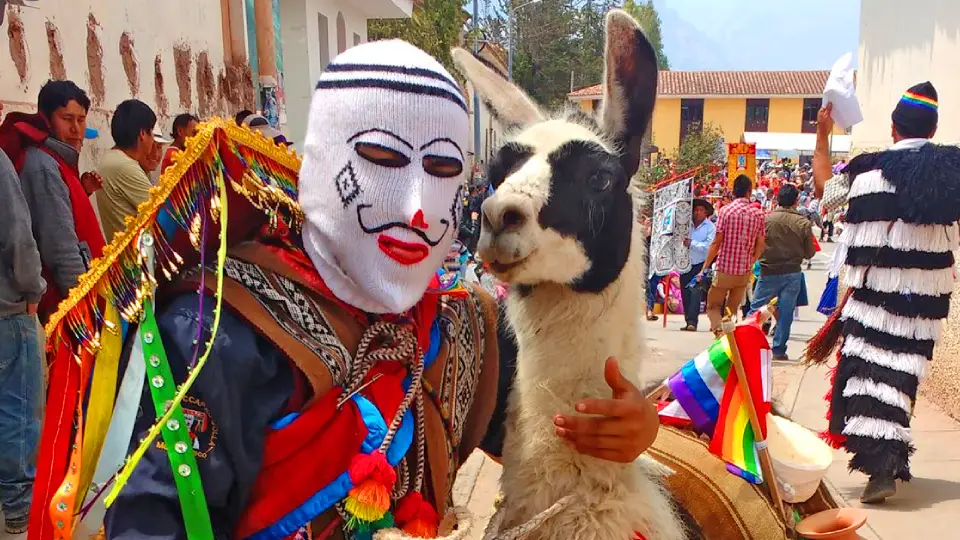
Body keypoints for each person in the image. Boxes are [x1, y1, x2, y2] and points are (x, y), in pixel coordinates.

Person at [28, 41, 657, 539]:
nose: (416, 209)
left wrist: (631, 430)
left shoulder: (459, 328)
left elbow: (541, 433)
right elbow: (153, 522)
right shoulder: (218, 328)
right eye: (384, 160)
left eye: (441, 172)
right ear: (326, 160)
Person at [809, 82, 960, 504]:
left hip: (874, 304)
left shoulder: (865, 171)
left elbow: (823, 192)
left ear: (894, 128)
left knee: (869, 379)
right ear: (933, 129)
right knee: (900, 380)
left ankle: (882, 466)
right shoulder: (952, 172)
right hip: (926, 309)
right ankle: (891, 457)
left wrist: (822, 135)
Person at [5, 80, 105, 323]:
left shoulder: (58, 161)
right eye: (66, 118)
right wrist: (86, 310)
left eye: (81, 120)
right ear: (47, 121)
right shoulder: (43, 165)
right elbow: (60, 249)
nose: (76, 129)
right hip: (71, 305)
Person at [0, 148, 45, 536]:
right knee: (18, 410)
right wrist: (33, 288)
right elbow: (17, 233)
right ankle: (19, 511)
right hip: (7, 310)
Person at [746, 184, 815, 361]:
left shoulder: (765, 220)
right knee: (785, 313)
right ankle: (778, 350)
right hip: (792, 273)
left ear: (777, 199)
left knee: (756, 310)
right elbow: (810, 253)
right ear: (796, 201)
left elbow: (755, 244)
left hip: (768, 270)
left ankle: (746, 344)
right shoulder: (803, 223)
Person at [698, 174, 765, 336]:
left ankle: (719, 333)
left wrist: (705, 267)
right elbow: (761, 244)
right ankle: (728, 339)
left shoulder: (725, 211)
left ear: (734, 191)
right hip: (743, 271)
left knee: (713, 307)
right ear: (749, 191)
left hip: (724, 269)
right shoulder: (758, 214)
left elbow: (716, 242)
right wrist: (751, 261)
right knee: (731, 311)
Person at [96, 99, 172, 241]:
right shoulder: (124, 166)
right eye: (151, 134)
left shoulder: (117, 160)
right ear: (143, 134)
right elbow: (165, 217)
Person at [679, 198, 715, 331]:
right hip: (686, 262)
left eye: (701, 210)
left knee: (696, 292)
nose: (698, 212)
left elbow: (709, 246)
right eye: (696, 210)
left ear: (706, 213)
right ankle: (688, 319)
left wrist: (692, 243)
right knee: (685, 292)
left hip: (701, 265)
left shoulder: (710, 227)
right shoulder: (686, 226)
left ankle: (692, 322)